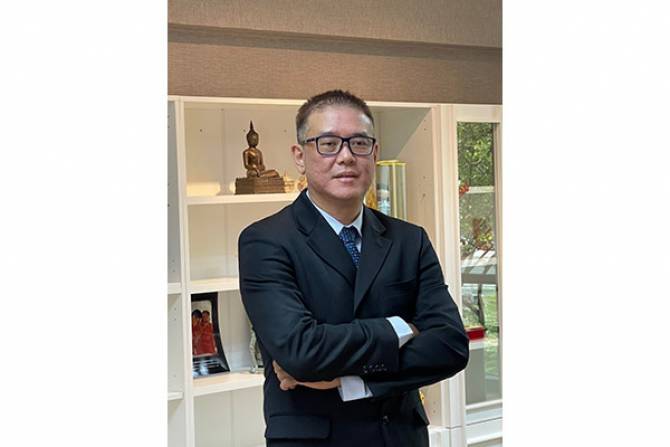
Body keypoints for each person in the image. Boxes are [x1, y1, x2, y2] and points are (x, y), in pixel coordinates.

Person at [238, 90, 469, 447]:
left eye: (359, 143)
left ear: (374, 154)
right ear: (299, 156)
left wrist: (350, 380)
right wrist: (401, 328)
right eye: (328, 144)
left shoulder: (409, 240)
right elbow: (301, 352)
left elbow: (450, 346)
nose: (346, 156)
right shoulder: (265, 241)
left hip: (401, 437)